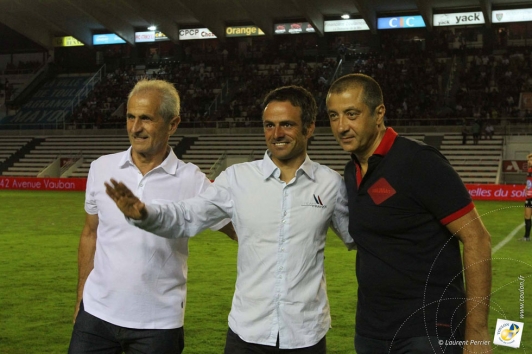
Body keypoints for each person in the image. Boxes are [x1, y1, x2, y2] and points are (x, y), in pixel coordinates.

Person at [105, 85, 356, 353]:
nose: (276, 134)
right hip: (247, 332)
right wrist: (146, 214)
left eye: (287, 125)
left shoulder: (330, 184)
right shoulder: (237, 179)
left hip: (305, 334)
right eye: (269, 125)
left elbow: (362, 239)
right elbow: (187, 215)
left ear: (309, 128)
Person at [325, 73, 492, 354]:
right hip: (371, 332)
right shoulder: (350, 173)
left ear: (379, 114)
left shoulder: (419, 161)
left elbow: (478, 239)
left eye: (351, 114)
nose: (341, 126)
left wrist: (476, 332)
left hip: (427, 330)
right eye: (333, 116)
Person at [68, 79, 235, 354]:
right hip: (96, 315)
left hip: (158, 324)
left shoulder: (192, 179)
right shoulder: (102, 167)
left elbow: (237, 229)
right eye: (130, 117)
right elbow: (90, 233)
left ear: (173, 124)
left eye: (146, 118)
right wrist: (81, 298)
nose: (135, 128)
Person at [522, 153, 532, 241]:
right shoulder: (529, 170)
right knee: (527, 216)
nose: (529, 161)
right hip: (529, 196)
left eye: (531, 160)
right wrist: (527, 186)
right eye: (529, 160)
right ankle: (526, 237)